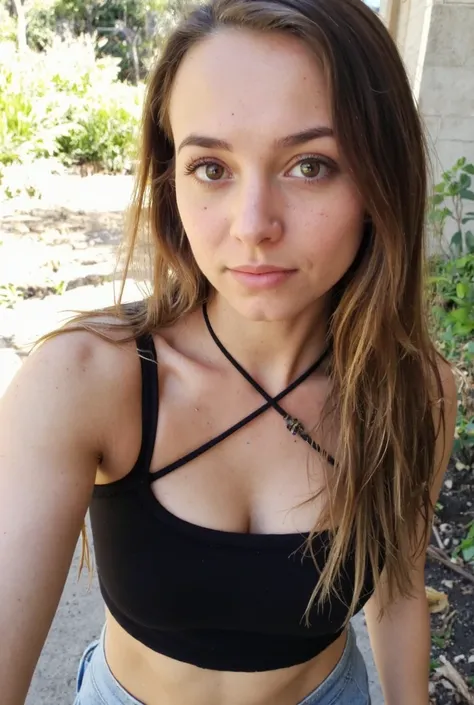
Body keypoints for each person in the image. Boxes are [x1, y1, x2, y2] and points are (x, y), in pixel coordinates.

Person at [0, 0, 457, 704]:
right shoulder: (84, 379)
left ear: (380, 180)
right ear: (171, 178)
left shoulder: (413, 390)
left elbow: (397, 588)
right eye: (211, 167)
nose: (252, 226)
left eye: (310, 165)